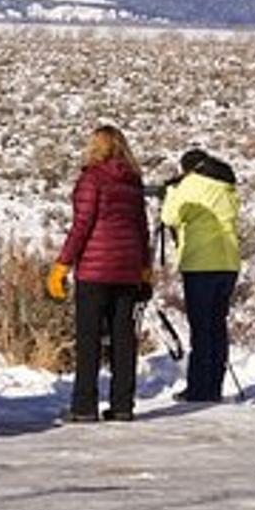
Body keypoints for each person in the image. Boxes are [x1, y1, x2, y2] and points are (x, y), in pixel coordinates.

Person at [49, 125, 151, 423]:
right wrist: (145, 270)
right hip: (128, 270)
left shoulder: (91, 178)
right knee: (123, 339)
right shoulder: (133, 182)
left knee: (89, 339)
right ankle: (122, 405)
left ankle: (84, 406)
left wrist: (62, 265)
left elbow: (82, 226)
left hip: (95, 270)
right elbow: (142, 229)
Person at [160, 147, 241, 403]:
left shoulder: (191, 184)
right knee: (217, 326)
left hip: (201, 264)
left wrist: (172, 191)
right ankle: (214, 384)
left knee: (201, 328)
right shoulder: (227, 185)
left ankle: (199, 388)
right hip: (228, 261)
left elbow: (169, 216)